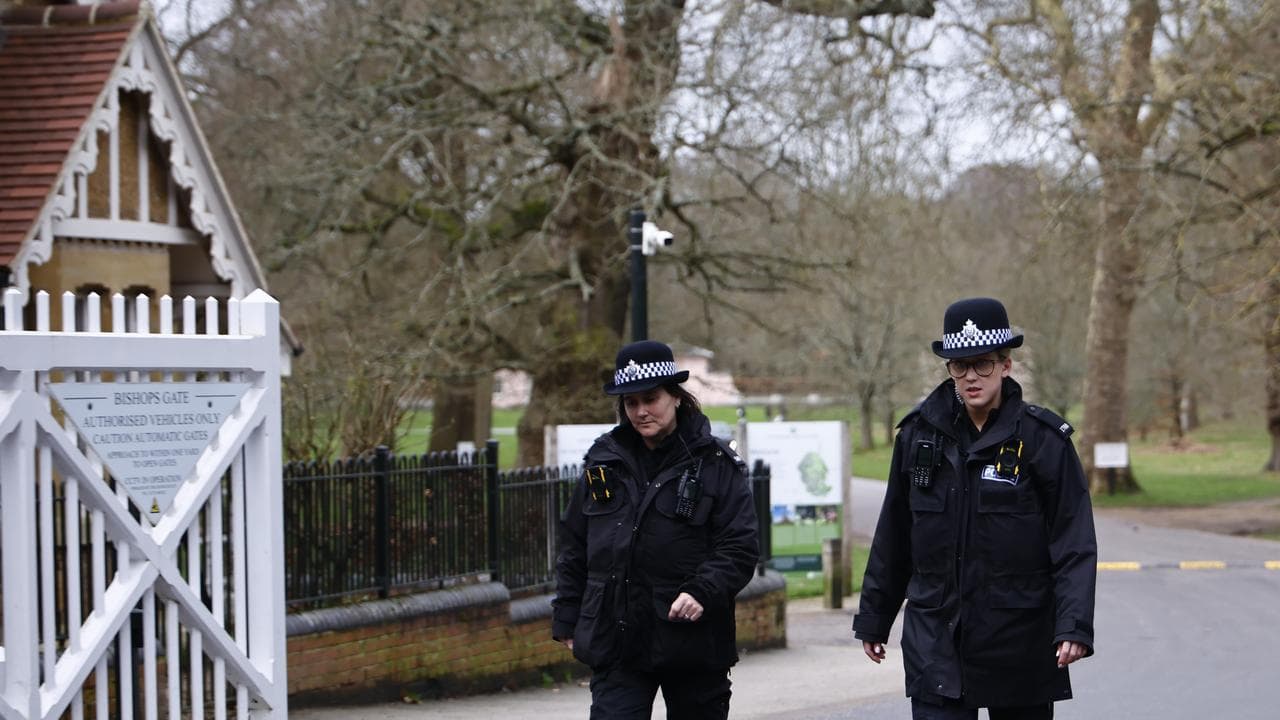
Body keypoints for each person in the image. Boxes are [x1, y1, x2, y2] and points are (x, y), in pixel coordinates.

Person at [853, 297, 1097, 720]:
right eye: (959, 366)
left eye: (982, 364)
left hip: (1018, 637)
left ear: (1006, 364)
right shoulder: (917, 436)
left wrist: (1073, 626)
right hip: (937, 635)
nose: (970, 377)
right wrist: (875, 618)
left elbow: (1073, 542)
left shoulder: (1043, 441)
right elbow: (894, 535)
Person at [553, 340, 760, 720]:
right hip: (618, 641)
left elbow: (740, 547)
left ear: (676, 397)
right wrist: (568, 616)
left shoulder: (716, 465)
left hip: (692, 642)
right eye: (631, 403)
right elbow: (575, 544)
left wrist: (702, 590)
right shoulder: (603, 464)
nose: (641, 411)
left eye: (650, 399)